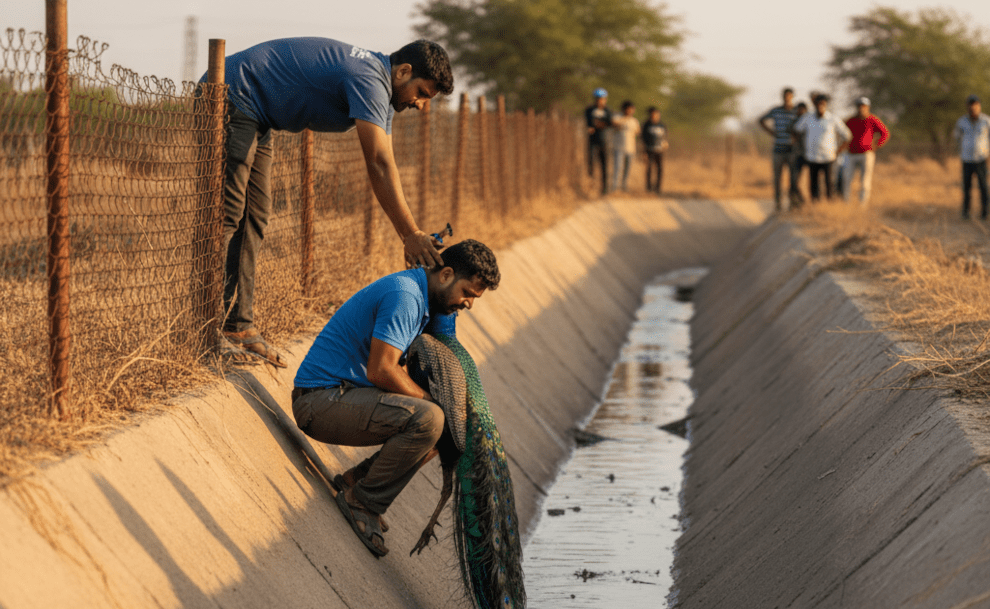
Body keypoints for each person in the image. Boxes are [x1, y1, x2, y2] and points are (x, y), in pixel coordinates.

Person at [203, 38, 453, 367]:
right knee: (227, 214)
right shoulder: (369, 79)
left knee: (255, 216)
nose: (421, 105)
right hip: (232, 93)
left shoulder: (379, 86)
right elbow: (377, 163)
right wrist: (409, 233)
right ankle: (201, 331)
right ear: (403, 71)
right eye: (421, 93)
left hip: (256, 114)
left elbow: (386, 165)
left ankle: (238, 327)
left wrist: (412, 232)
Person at [291, 239, 500, 557]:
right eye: (468, 294)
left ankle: (357, 480)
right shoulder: (406, 296)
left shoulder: (423, 297)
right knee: (432, 417)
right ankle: (361, 502)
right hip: (319, 402)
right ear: (445, 275)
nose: (469, 303)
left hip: (345, 395)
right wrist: (431, 400)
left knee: (445, 426)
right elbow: (381, 371)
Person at [792, 94, 851, 202]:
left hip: (828, 157)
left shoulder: (833, 118)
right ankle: (815, 204)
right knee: (813, 183)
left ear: (826, 105)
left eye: (823, 104)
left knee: (829, 183)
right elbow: (796, 130)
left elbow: (847, 136)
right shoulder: (808, 117)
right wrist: (800, 145)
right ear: (815, 105)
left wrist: (839, 150)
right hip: (812, 156)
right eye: (818, 104)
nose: (820, 106)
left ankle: (829, 205)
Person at [842, 97, 889, 205]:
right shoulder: (851, 120)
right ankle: (846, 203)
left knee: (865, 181)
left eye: (863, 106)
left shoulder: (872, 119)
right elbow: (842, 133)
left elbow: (885, 134)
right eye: (859, 106)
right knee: (847, 179)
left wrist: (877, 145)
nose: (861, 108)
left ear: (867, 107)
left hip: (866, 154)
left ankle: (862, 204)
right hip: (851, 153)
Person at [758, 88, 800, 210]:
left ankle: (793, 202)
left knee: (793, 177)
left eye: (789, 96)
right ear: (782, 96)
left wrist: (796, 138)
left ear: (792, 97)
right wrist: (771, 132)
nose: (787, 98)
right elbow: (761, 120)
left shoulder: (796, 111)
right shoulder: (776, 110)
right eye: (785, 95)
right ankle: (778, 203)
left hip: (792, 149)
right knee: (777, 177)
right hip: (778, 148)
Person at [953, 94, 990, 219]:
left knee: (983, 186)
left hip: (981, 159)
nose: (972, 107)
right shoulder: (961, 122)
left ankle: (985, 212)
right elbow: (957, 138)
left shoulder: (986, 121)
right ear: (967, 106)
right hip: (967, 159)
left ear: (979, 106)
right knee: (966, 187)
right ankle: (965, 212)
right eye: (970, 105)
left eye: (975, 105)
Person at [585, 88, 613, 195]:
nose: (600, 101)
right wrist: (600, 124)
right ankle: (590, 185)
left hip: (605, 141)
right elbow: (589, 123)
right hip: (592, 140)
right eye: (598, 99)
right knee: (591, 163)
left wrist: (597, 124)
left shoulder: (608, 111)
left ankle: (604, 188)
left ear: (605, 99)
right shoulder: (589, 110)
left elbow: (610, 123)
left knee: (604, 165)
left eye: (602, 99)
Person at [610, 101, 641, 193]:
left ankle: (624, 185)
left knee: (627, 168)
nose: (631, 111)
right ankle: (615, 186)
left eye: (632, 109)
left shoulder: (634, 121)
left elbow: (638, 132)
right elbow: (614, 124)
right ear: (624, 109)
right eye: (629, 109)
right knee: (618, 167)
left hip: (630, 148)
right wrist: (625, 118)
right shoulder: (618, 117)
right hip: (619, 147)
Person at [642, 106, 669, 194]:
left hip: (660, 150)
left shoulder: (662, 125)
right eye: (653, 114)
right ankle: (649, 187)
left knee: (660, 169)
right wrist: (644, 152)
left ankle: (658, 188)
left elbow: (665, 137)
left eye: (657, 114)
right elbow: (643, 139)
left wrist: (665, 143)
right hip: (649, 150)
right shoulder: (646, 125)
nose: (655, 116)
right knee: (649, 169)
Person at [790, 102, 809, 206]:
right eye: (799, 109)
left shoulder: (811, 121)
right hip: (797, 154)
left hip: (810, 154)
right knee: (794, 180)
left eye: (803, 109)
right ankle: (796, 202)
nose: (801, 112)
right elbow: (791, 133)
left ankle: (809, 202)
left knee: (810, 180)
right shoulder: (794, 122)